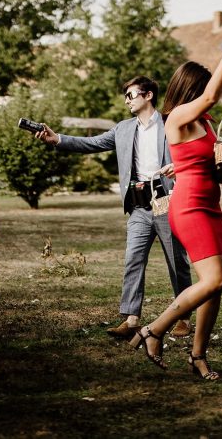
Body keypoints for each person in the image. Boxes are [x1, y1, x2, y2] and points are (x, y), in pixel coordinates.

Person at [128, 24, 222, 380]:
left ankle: (198, 356)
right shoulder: (177, 117)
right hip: (190, 206)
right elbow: (211, 97)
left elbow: (201, 157)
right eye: (203, 88)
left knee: (215, 285)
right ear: (192, 89)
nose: (208, 95)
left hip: (211, 204)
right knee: (214, 280)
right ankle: (153, 330)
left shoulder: (207, 124)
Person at [35, 76, 193, 339]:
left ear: (148, 95)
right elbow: (92, 143)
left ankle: (184, 317)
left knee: (177, 261)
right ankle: (131, 319)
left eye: (131, 95)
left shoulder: (170, 123)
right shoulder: (123, 129)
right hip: (139, 206)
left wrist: (181, 167)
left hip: (168, 202)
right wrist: (57, 139)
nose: (127, 101)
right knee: (133, 259)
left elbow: (192, 152)